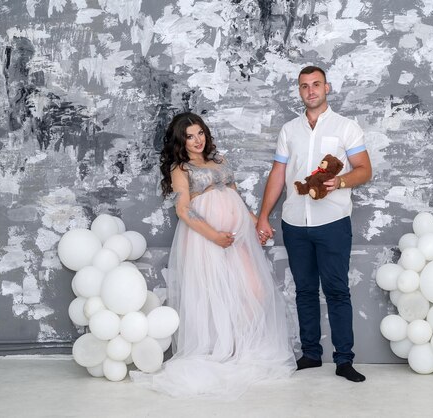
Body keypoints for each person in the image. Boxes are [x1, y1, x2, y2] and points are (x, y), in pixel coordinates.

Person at [131, 112, 296, 398]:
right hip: (206, 240)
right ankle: (225, 348)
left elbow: (234, 196)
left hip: (236, 236)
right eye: (190, 136)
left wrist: (255, 222)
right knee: (217, 292)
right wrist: (214, 235)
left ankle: (244, 345)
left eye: (200, 133)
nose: (197, 140)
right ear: (181, 141)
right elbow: (184, 210)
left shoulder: (218, 161)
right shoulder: (180, 169)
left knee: (253, 289)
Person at [256, 66, 372, 382]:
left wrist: (342, 181)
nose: (311, 90)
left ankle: (344, 360)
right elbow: (278, 174)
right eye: (305, 86)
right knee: (305, 290)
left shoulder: (346, 128)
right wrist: (264, 215)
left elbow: (364, 169)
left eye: (316, 84)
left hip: (333, 222)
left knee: (336, 290)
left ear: (327, 88)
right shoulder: (289, 130)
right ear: (299, 91)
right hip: (294, 223)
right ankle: (310, 354)